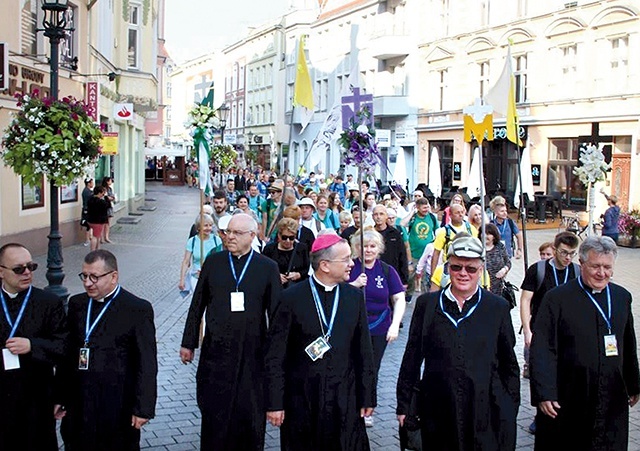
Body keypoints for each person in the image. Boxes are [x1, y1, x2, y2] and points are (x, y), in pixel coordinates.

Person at [396, 236, 520, 450]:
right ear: (448, 267)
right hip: (437, 405)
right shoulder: (427, 305)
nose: (463, 273)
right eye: (456, 267)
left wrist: (509, 407)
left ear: (481, 270)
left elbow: (509, 364)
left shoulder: (497, 307)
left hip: (484, 407)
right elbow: (412, 358)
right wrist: (405, 404)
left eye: (471, 269)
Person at [265, 233, 376, 449]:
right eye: (345, 259)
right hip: (302, 398)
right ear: (325, 265)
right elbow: (275, 355)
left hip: (345, 397)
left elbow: (364, 350)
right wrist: (274, 403)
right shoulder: (291, 298)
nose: (351, 264)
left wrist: (367, 395)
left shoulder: (353, 297)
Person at [180, 214, 282, 449]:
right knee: (215, 412)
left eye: (237, 233)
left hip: (252, 352)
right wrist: (188, 343)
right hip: (216, 350)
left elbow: (276, 315)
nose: (229, 237)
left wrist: (275, 354)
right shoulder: (213, 263)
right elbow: (197, 305)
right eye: (227, 232)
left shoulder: (267, 268)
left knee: (249, 413)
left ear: (252, 236)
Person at [530, 236, 640, 451]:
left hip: (610, 394)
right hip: (569, 394)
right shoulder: (557, 299)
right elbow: (543, 348)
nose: (602, 273)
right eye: (595, 266)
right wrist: (544, 392)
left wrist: (634, 383)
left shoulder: (621, 297)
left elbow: (628, 342)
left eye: (607, 267)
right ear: (581, 264)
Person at [57, 250, 157, 450]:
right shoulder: (77, 304)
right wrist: (60, 395)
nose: (87, 283)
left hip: (117, 403)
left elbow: (146, 362)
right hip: (80, 402)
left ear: (113, 276)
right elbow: (67, 354)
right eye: (84, 276)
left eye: (94, 277)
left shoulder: (137, 308)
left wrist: (143, 408)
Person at [0, 243, 67, 451]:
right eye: (19, 269)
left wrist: (32, 345)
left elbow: (64, 347)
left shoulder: (49, 302)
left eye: (31, 266)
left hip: (36, 398)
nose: (27, 272)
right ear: (1, 272)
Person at [519, 231, 580, 433]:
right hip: (542, 332)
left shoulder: (577, 272)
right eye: (564, 252)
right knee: (541, 372)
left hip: (568, 334)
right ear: (554, 249)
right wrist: (527, 330)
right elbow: (526, 300)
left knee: (566, 374)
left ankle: (563, 411)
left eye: (572, 253)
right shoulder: (538, 270)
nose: (568, 257)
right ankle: (539, 414)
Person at [349, 228, 406, 427]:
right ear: (357, 248)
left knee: (371, 368)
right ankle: (350, 403)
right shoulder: (349, 268)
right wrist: (353, 284)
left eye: (372, 246)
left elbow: (399, 298)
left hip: (378, 326)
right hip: (352, 327)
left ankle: (367, 406)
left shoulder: (386, 270)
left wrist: (395, 326)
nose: (369, 250)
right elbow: (335, 290)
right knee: (352, 366)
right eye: (364, 246)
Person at [179, 214, 224, 295]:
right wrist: (182, 279)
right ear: (198, 227)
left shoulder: (217, 240)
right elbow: (186, 262)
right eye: (205, 225)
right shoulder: (192, 241)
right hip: (196, 277)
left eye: (210, 225)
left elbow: (221, 260)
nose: (209, 228)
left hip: (212, 276)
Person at [263, 218, 310, 289]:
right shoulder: (269, 249)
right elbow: (264, 269)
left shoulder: (302, 248)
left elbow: (306, 268)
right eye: (284, 237)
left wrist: (298, 274)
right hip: (275, 288)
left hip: (296, 288)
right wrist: (275, 276)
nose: (288, 241)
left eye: (291, 238)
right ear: (279, 235)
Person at [372, 204, 409, 288]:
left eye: (381, 214)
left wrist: (404, 280)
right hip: (374, 274)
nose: (378, 217)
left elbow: (402, 256)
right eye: (376, 214)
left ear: (386, 216)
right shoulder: (370, 234)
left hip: (393, 274)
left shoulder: (395, 234)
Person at [483, 223, 511, 296]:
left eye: (488, 234)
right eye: (483, 233)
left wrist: (504, 269)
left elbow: (508, 262)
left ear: (494, 236)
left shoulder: (499, 246)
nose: (485, 236)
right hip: (483, 287)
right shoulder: (477, 248)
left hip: (498, 288)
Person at [86, 186, 109, 251]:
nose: (103, 194)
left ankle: (98, 249)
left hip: (90, 220)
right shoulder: (101, 202)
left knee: (98, 235)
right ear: (99, 193)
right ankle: (93, 251)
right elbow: (107, 205)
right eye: (102, 193)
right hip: (98, 222)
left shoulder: (90, 199)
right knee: (95, 236)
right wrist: (106, 197)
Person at [101, 176, 116, 243]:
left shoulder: (110, 189)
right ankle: (101, 238)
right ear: (107, 181)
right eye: (110, 180)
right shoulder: (103, 189)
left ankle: (106, 237)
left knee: (108, 223)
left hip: (109, 206)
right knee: (103, 223)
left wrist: (112, 198)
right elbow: (106, 197)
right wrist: (110, 198)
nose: (111, 182)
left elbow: (112, 196)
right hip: (104, 207)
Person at [81, 178, 94, 246]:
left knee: (89, 225)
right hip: (87, 210)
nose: (93, 184)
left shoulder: (88, 191)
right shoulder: (87, 192)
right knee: (87, 225)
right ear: (88, 183)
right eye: (92, 182)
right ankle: (87, 240)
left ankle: (89, 237)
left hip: (87, 209)